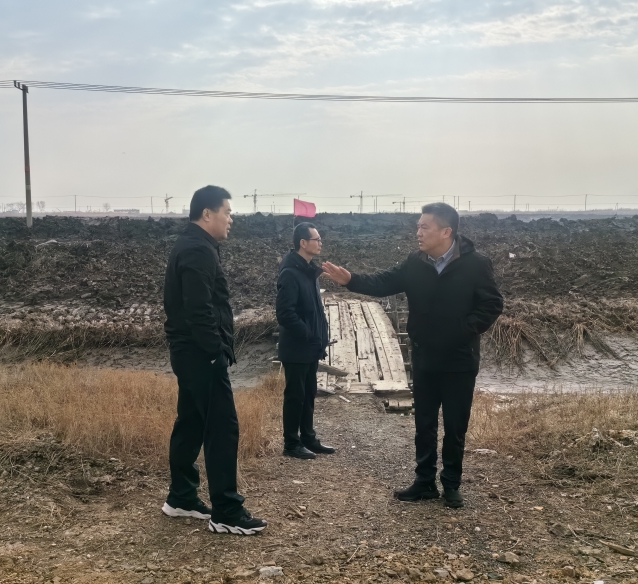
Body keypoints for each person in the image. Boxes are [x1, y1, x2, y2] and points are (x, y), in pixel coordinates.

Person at [322, 203, 503, 508]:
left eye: (424, 227)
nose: (418, 232)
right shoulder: (415, 263)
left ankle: (451, 485)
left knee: (455, 426)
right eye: (418, 226)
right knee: (424, 423)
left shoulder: (476, 264)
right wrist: (350, 280)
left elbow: (492, 304)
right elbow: (384, 282)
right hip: (425, 357)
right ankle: (424, 483)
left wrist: (462, 330)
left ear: (446, 232)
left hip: (459, 360)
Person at [161, 185, 267, 535]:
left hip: (188, 352)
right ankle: (227, 512)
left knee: (191, 423)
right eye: (227, 212)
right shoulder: (197, 249)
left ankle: (181, 497)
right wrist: (214, 353)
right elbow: (199, 309)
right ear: (207, 214)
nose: (231, 219)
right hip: (199, 354)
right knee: (222, 427)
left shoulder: (193, 244)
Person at [276, 222, 336, 460]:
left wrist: (319, 336)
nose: (320, 243)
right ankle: (291, 443)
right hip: (297, 347)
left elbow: (314, 309)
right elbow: (285, 313)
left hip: (310, 347)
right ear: (303, 243)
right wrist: (309, 334)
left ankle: (308, 438)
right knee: (295, 396)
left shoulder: (309, 271)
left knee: (309, 393)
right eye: (316, 239)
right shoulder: (290, 273)